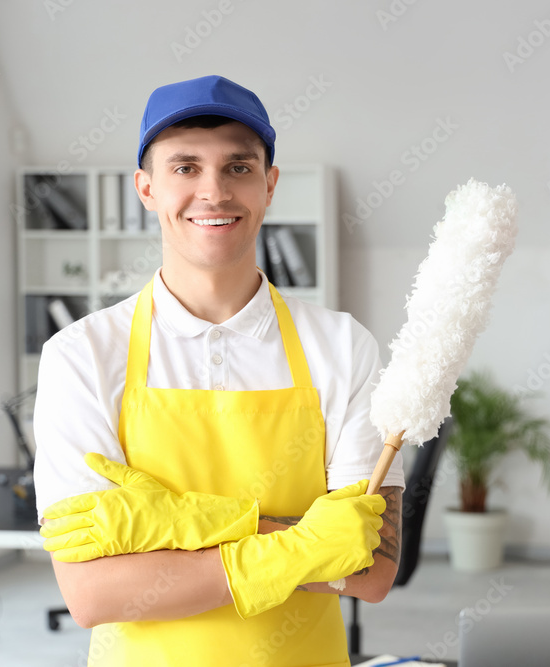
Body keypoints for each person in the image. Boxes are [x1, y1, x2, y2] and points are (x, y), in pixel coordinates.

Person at [32, 75, 405, 666]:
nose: (214, 191)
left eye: (238, 167)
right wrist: (304, 543)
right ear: (147, 189)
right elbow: (92, 592)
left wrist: (174, 528)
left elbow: (370, 571)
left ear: (269, 184)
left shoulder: (342, 346)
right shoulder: (80, 356)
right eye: (185, 168)